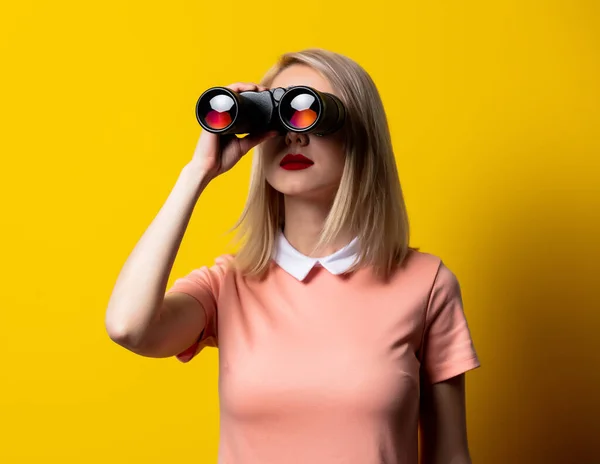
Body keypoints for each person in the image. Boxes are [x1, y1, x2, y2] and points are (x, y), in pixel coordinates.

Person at [105, 48, 480, 464]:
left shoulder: (426, 284)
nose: (293, 135)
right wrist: (198, 172)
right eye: (275, 116)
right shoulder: (227, 285)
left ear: (359, 135)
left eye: (307, 112)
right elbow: (128, 328)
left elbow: (449, 455)